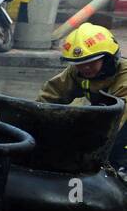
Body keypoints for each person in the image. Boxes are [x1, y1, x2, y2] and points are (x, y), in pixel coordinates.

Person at [39, 23, 127, 167]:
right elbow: (50, 95)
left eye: (91, 62)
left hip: (123, 124)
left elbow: (117, 120)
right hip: (111, 121)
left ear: (108, 58)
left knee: (115, 159)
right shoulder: (76, 71)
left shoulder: (125, 77)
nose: (85, 68)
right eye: (79, 63)